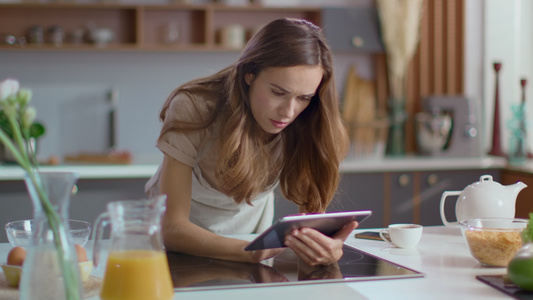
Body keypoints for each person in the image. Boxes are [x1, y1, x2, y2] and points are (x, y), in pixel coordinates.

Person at [145, 18, 356, 266]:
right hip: (181, 247)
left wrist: (325, 247)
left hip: (250, 240)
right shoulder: (194, 107)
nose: (288, 112)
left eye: (304, 97)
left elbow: (310, 222)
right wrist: (248, 250)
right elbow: (173, 230)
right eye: (278, 92)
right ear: (249, 74)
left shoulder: (309, 118)